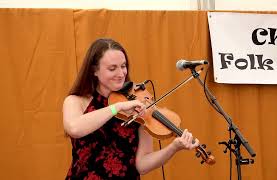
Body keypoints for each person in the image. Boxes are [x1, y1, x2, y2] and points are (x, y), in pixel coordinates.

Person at [63, 38, 199, 179]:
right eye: (112, 68)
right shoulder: (76, 101)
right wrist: (117, 107)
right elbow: (74, 128)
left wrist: (173, 147)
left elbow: (142, 165)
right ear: (94, 70)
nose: (121, 73)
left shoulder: (137, 103)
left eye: (123, 66)